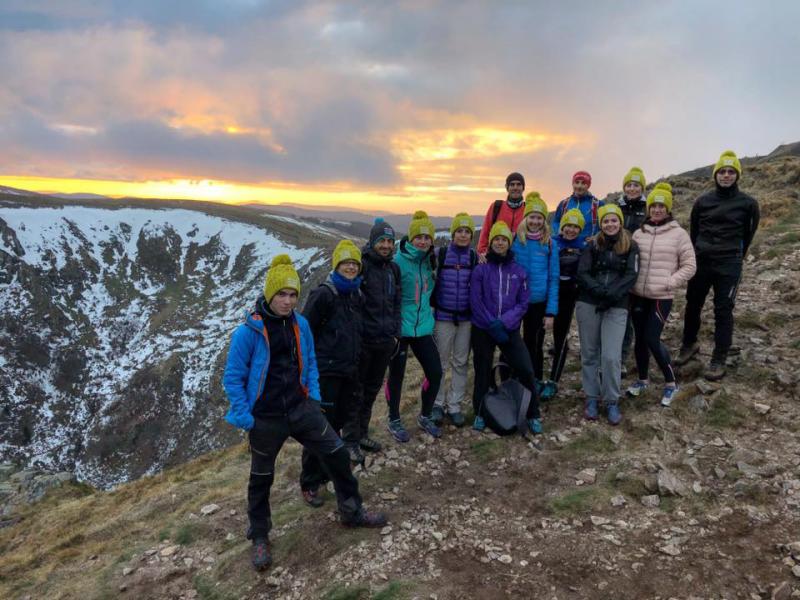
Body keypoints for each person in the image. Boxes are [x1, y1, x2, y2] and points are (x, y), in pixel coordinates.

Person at [223, 254, 387, 571]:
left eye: (292, 294)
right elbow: (233, 377)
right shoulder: (248, 332)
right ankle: (259, 536)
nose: (287, 301)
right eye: (281, 294)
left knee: (337, 453)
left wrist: (313, 399)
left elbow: (309, 362)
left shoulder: (301, 325)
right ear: (269, 294)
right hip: (266, 417)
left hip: (301, 409)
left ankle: (352, 511)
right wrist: (245, 417)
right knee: (261, 478)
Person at [674, 150, 760, 381]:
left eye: (731, 171)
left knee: (723, 309)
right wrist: (696, 254)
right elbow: (694, 232)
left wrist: (736, 256)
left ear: (737, 175)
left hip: (729, 263)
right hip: (701, 261)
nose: (726, 175)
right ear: (715, 175)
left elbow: (748, 235)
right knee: (693, 304)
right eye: (722, 171)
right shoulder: (702, 201)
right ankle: (689, 344)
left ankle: (719, 357)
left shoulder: (749, 204)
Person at [300, 240, 365, 500]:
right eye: (345, 263)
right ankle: (309, 482)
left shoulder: (355, 293)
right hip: (325, 373)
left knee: (335, 425)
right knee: (319, 428)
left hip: (348, 371)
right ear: (336, 265)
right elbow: (304, 331)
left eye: (354, 263)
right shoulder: (324, 294)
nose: (350, 267)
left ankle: (325, 472)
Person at [628, 183, 696, 406]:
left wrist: (671, 282)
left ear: (668, 209)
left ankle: (671, 383)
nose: (657, 210)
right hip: (638, 294)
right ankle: (642, 380)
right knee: (640, 339)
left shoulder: (679, 234)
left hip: (661, 297)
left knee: (651, 338)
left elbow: (690, 265)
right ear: (648, 208)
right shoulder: (639, 233)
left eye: (661, 206)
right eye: (653, 206)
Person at [470, 221, 541, 434]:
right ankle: (480, 412)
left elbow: (523, 302)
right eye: (496, 239)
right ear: (491, 242)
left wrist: (504, 322)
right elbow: (476, 300)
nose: (500, 243)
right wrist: (491, 323)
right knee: (482, 370)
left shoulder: (519, 271)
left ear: (509, 243)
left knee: (525, 369)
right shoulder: (481, 269)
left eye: (504, 240)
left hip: (508, 328)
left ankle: (533, 413)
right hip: (483, 328)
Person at [576, 205, 639, 425]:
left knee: (611, 356)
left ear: (620, 222)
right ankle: (592, 398)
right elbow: (583, 272)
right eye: (605, 221)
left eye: (613, 220)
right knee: (589, 353)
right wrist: (599, 291)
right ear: (600, 224)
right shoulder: (592, 245)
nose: (610, 224)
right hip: (589, 302)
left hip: (617, 304)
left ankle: (612, 399)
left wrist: (611, 294)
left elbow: (631, 274)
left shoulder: (631, 246)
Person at [385, 210, 443, 441]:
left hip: (423, 327)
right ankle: (394, 419)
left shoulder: (430, 261)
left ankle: (425, 416)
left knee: (435, 373)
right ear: (410, 238)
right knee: (396, 376)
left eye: (427, 237)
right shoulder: (397, 262)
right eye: (419, 237)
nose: (423, 241)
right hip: (400, 329)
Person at [355, 218, 402, 454]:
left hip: (384, 342)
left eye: (389, 241)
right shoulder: (362, 267)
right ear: (372, 242)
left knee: (372, 391)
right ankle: (350, 439)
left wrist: (395, 335)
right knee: (357, 392)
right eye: (381, 241)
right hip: (364, 342)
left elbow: (396, 303)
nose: (385, 245)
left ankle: (361, 435)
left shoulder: (393, 269)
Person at [431, 212, 478, 427]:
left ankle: (455, 405)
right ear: (453, 233)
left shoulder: (474, 258)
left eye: (467, 231)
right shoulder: (440, 255)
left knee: (460, 362)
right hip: (443, 317)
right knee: (440, 362)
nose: (463, 235)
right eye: (459, 231)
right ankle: (437, 404)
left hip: (466, 319)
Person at [512, 192, 559, 396]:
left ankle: (535, 381)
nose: (535, 221)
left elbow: (554, 278)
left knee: (535, 344)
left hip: (538, 303)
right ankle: (515, 379)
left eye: (539, 218)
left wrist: (550, 312)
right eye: (532, 217)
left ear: (544, 220)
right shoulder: (515, 240)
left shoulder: (550, 243)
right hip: (515, 302)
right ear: (526, 218)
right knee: (513, 342)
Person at [546, 209, 587, 399]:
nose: (571, 230)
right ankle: (535, 377)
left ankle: (553, 381)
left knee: (560, 337)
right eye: (568, 225)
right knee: (539, 335)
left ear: (580, 229)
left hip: (569, 295)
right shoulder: (551, 242)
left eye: (575, 227)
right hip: (548, 293)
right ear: (562, 226)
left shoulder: (585, 246)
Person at [617, 167, 648, 373]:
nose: (632, 189)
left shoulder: (648, 208)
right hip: (616, 265)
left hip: (639, 265)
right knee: (618, 313)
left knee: (632, 315)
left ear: (642, 187)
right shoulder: (616, 206)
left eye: (636, 185)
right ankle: (611, 355)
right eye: (629, 185)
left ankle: (624, 358)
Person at [476, 172, 528, 259]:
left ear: (523, 188)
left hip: (520, 259)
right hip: (496, 258)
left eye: (519, 184)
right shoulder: (496, 207)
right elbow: (485, 232)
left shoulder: (527, 209)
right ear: (507, 187)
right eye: (512, 185)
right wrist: (482, 253)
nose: (515, 187)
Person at [552, 171, 605, 245]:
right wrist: (559, 231)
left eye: (583, 183)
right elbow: (556, 221)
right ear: (573, 184)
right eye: (577, 182)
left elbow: (605, 225)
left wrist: (597, 237)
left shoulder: (598, 204)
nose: (579, 186)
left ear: (588, 185)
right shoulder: (564, 204)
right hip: (565, 245)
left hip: (588, 247)